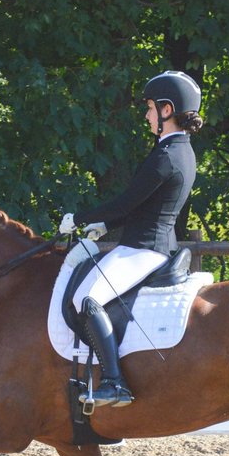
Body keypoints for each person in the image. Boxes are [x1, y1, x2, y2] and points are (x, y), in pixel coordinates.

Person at [58, 69, 203, 408]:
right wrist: (105, 226)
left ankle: (114, 382)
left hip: (144, 248)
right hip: (153, 243)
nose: (147, 114)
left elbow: (126, 202)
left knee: (86, 298)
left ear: (167, 110)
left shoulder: (166, 156)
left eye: (151, 108)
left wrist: (78, 219)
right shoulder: (181, 150)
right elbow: (142, 204)